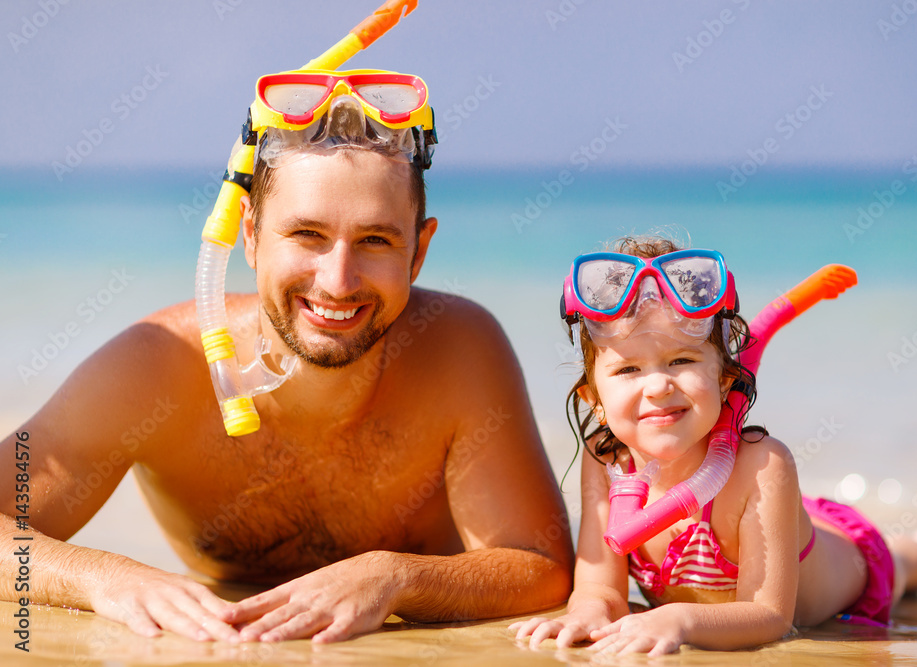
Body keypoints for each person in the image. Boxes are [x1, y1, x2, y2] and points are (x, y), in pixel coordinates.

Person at [0, 65, 572, 644]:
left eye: (376, 240)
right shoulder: (158, 366)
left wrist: (393, 577)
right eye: (306, 235)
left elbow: (540, 567)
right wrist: (110, 580)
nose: (338, 280)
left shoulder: (461, 351)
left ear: (418, 253)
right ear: (249, 234)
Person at [511, 235, 917, 655]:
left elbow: (771, 615)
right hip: (779, 520)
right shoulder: (607, 462)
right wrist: (587, 612)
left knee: (903, 566)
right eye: (628, 369)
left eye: (682, 360)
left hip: (852, 566)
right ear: (595, 401)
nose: (658, 384)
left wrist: (679, 619)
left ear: (724, 380)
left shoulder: (762, 465)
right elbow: (600, 586)